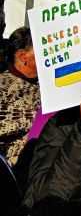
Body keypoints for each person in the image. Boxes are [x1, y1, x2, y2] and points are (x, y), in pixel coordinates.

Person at [0, 27, 39, 190]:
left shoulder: (42, 86)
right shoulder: (4, 88)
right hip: (13, 183)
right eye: (43, 51)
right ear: (23, 56)